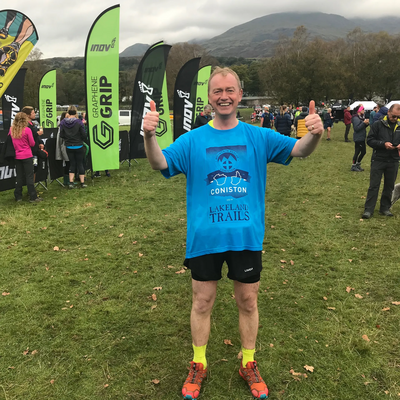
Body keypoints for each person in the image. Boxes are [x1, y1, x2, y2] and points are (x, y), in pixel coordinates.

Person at [142, 66, 323, 400]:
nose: (223, 97)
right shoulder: (193, 140)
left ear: (240, 94)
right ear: (209, 98)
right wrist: (149, 137)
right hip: (205, 238)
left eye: (230, 90)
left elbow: (300, 150)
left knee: (248, 301)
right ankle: (199, 363)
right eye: (217, 91)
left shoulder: (258, 136)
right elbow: (159, 164)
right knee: (202, 301)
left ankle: (248, 362)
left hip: (246, 237)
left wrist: (314, 134)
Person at [361, 104, 400, 219]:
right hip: (379, 159)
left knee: (389, 185)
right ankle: (369, 209)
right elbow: (370, 140)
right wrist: (383, 144)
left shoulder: (399, 126)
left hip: (393, 160)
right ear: (388, 113)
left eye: (398, 117)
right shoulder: (378, 124)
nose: (395, 119)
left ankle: (385, 208)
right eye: (393, 116)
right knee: (374, 185)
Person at [9, 112, 42, 203]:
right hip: (27, 155)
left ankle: (18, 196)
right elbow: (32, 143)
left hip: (17, 155)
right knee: (29, 176)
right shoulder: (27, 130)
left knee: (19, 177)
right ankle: (33, 196)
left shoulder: (12, 130)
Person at [59, 106, 87, 189]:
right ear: (75, 113)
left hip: (69, 146)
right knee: (80, 163)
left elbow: (61, 134)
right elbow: (84, 134)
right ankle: (82, 182)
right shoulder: (79, 122)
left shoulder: (63, 122)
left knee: (72, 164)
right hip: (78, 145)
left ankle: (71, 182)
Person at [351, 105, 369, 171]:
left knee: (363, 152)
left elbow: (362, 127)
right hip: (358, 138)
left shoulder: (360, 117)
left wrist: (366, 124)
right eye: (363, 109)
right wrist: (364, 123)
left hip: (362, 137)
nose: (364, 111)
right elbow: (356, 128)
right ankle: (353, 166)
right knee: (357, 152)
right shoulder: (355, 118)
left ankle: (358, 164)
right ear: (359, 110)